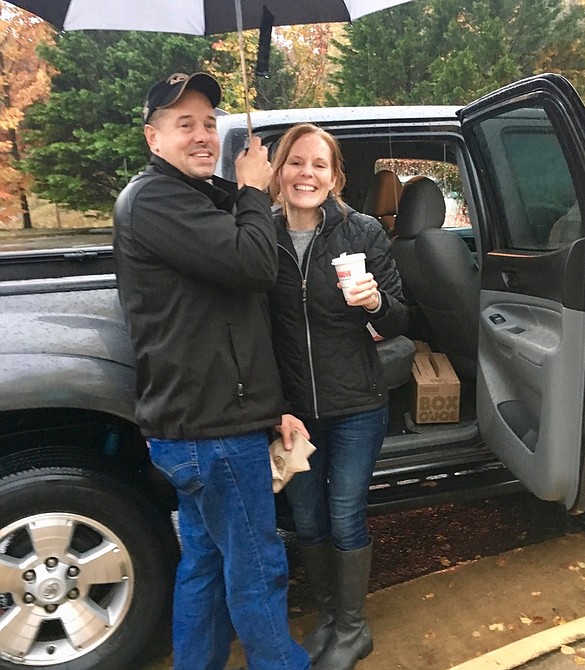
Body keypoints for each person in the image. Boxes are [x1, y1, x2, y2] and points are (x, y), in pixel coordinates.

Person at [113, 72, 310, 670]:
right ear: (153, 137)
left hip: (202, 425)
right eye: (184, 125)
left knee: (204, 564)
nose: (202, 135)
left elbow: (230, 302)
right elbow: (254, 264)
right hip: (213, 431)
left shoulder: (188, 196)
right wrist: (252, 191)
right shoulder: (153, 200)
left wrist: (246, 184)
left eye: (208, 123)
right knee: (258, 567)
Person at [268, 124, 408, 670]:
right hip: (293, 412)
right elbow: (253, 329)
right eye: (296, 163)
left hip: (356, 404)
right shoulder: (261, 234)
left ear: (335, 177)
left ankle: (352, 629)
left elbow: (400, 317)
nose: (307, 174)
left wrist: (375, 302)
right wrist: (275, 407)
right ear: (278, 172)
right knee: (306, 519)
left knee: (346, 512)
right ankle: (329, 615)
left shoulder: (363, 232)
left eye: (319, 165)